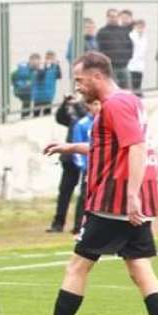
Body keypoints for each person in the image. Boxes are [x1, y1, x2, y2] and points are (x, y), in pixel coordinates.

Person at [17, 51, 158, 315]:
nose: (78, 86)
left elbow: (136, 147)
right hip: (129, 200)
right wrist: (72, 146)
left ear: (97, 76)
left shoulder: (115, 104)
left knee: (78, 265)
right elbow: (113, 145)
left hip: (113, 202)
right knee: (139, 268)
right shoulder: (127, 100)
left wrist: (130, 195)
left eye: (80, 79)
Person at [49, 95, 88, 233]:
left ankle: (79, 225)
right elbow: (60, 118)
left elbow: (87, 118)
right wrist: (65, 103)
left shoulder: (89, 113)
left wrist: (78, 105)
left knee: (84, 194)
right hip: (70, 157)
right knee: (64, 191)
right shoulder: (74, 116)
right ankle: (58, 223)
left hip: (86, 158)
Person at [69, 99, 101, 235]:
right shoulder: (82, 124)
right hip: (89, 167)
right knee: (84, 197)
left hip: (103, 167)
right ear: (88, 106)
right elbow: (76, 146)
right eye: (94, 104)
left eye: (99, 104)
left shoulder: (105, 122)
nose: (97, 107)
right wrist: (83, 166)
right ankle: (78, 226)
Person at [96, 8, 133, 89]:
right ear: (107, 17)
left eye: (115, 16)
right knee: (113, 90)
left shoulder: (123, 31)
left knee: (127, 91)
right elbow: (99, 50)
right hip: (110, 67)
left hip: (124, 66)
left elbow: (130, 46)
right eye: (111, 16)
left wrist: (127, 59)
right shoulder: (102, 32)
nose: (114, 18)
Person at [10, 53, 42, 118]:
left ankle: (27, 115)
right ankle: (25, 116)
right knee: (27, 101)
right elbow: (13, 75)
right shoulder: (23, 69)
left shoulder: (38, 70)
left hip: (32, 92)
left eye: (37, 62)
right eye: (34, 61)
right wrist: (18, 85)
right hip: (24, 91)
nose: (36, 63)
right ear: (30, 61)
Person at [127, 19, 147, 97]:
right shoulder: (131, 35)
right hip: (132, 63)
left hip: (140, 64)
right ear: (135, 26)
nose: (140, 28)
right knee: (132, 82)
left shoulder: (144, 36)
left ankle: (137, 93)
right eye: (139, 26)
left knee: (138, 81)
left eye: (142, 26)